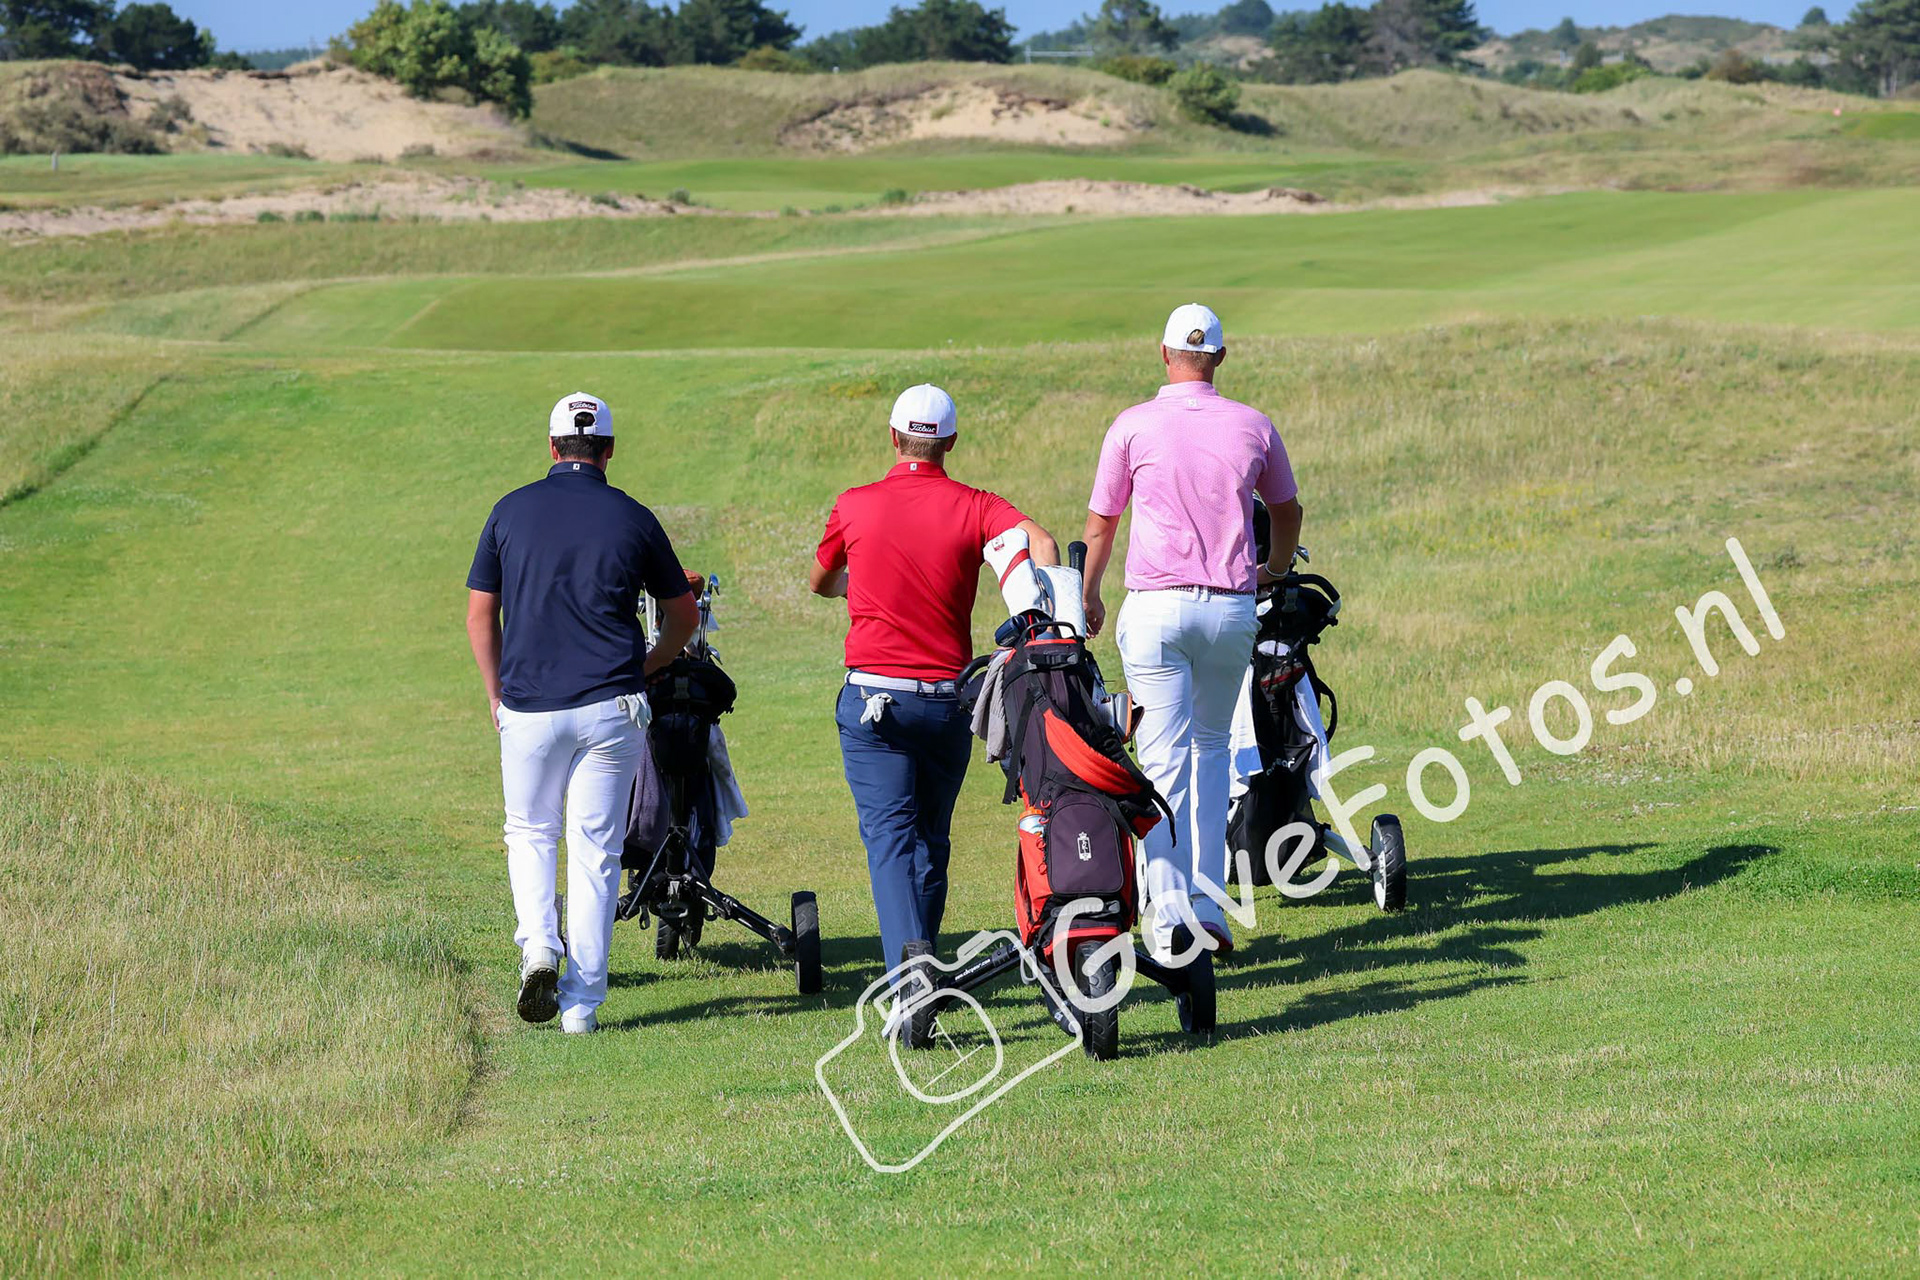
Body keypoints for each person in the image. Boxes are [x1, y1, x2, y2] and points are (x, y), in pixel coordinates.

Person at [466, 392, 700, 1035]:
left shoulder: (509, 511)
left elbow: (480, 615)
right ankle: (582, 1007)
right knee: (594, 848)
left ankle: (539, 945)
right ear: (609, 451)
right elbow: (683, 617)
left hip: (529, 706)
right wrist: (646, 667)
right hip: (611, 708)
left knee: (530, 832)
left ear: (550, 448)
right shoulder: (633, 517)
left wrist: (494, 693)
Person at [809, 383, 1060, 977]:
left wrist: (859, 588)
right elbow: (1043, 543)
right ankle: (920, 967)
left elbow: (820, 580)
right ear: (950, 441)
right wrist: (1055, 620)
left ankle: (910, 980)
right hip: (949, 702)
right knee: (930, 840)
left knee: (891, 843)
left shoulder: (854, 503)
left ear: (893, 437)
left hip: (876, 700)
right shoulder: (976, 505)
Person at [1080, 305, 1302, 959]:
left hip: (1156, 610)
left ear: (1164, 353)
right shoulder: (1252, 424)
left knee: (1164, 762)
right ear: (1221, 358)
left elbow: (1101, 525)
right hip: (1229, 610)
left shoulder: (1132, 426)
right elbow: (1287, 510)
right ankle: (1207, 906)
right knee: (1211, 759)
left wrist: (1089, 595)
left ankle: (1168, 911)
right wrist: (1276, 568)